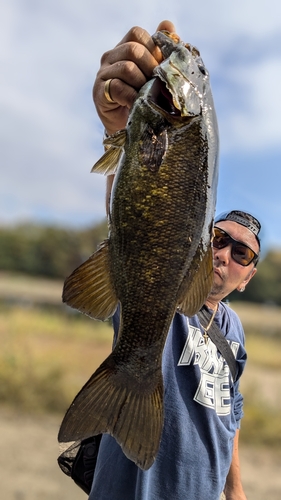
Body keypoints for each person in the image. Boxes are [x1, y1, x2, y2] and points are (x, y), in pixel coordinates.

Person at [89, 20, 261, 500]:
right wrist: (120, 130)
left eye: (242, 252)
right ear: (198, 241)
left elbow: (229, 412)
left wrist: (237, 491)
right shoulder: (161, 299)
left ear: (249, 277)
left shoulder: (234, 332)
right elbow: (136, 223)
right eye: (219, 238)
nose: (225, 253)